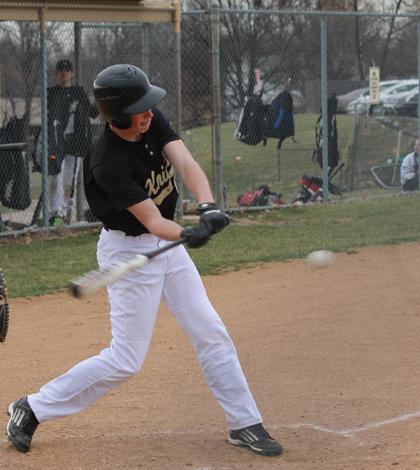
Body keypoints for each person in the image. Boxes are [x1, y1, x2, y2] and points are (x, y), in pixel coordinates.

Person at [6, 64, 283, 458]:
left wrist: (206, 207)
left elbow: (185, 164)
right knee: (126, 360)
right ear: (118, 114)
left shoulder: (148, 121)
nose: (150, 111)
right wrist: (190, 232)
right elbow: (152, 218)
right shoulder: (107, 162)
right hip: (129, 249)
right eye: (141, 106)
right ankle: (31, 407)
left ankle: (244, 423)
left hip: (164, 244)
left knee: (209, 329)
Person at [35, 59, 97, 225]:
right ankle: (56, 213)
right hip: (57, 142)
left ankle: (67, 212)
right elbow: (49, 116)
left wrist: (100, 103)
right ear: (56, 73)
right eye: (61, 70)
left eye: (67, 70)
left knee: (70, 179)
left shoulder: (78, 91)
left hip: (75, 142)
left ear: (72, 73)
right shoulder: (51, 93)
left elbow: (92, 113)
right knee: (57, 177)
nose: (64, 73)